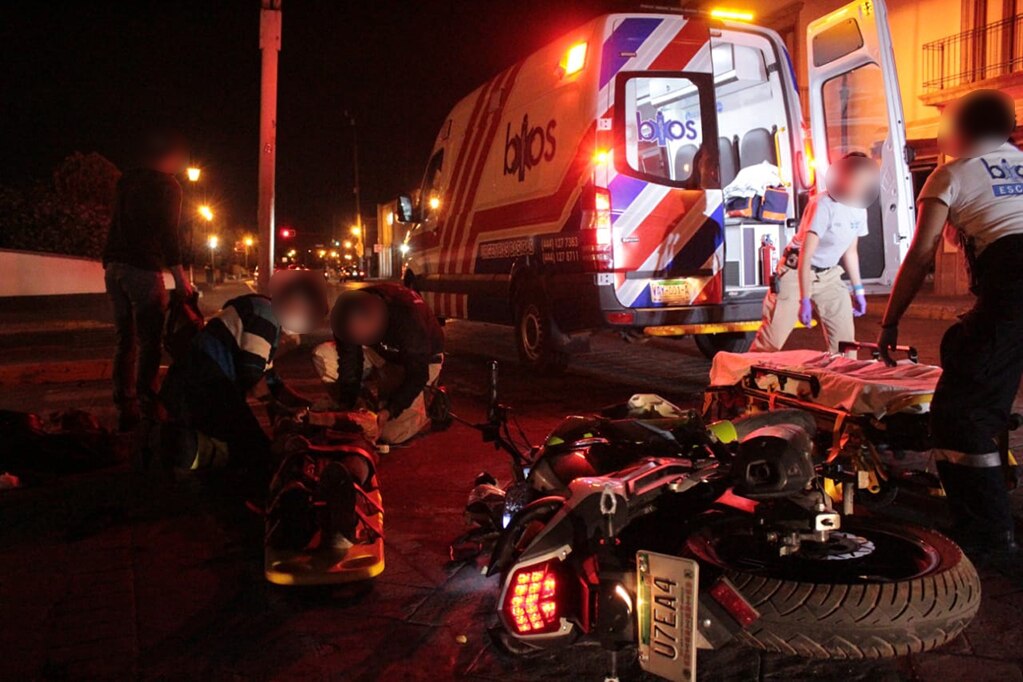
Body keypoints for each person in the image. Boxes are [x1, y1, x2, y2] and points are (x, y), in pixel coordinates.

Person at [877, 89, 1020, 557]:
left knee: (962, 416)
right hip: (1007, 291)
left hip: (1013, 283)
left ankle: (988, 534)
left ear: (959, 130)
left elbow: (920, 257)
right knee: (983, 381)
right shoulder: (1019, 161)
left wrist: (890, 321)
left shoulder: (950, 173)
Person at [159, 270, 328, 474]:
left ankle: (181, 441)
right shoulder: (266, 316)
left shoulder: (264, 313)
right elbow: (252, 376)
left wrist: (306, 406)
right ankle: (178, 445)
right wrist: (276, 407)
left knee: (251, 447)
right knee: (255, 454)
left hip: (198, 385)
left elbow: (272, 382)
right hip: (202, 387)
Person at [103, 130, 195, 431]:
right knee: (150, 340)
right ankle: (148, 403)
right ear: (171, 157)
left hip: (113, 266)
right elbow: (169, 234)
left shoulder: (127, 181)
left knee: (124, 339)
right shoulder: (168, 185)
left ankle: (125, 406)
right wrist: (180, 279)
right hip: (142, 268)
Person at [750, 153, 878, 354]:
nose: (860, 184)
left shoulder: (860, 209)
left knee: (846, 346)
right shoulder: (823, 205)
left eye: (864, 181)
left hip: (829, 275)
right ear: (844, 177)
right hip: (795, 272)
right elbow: (805, 256)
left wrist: (859, 290)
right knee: (771, 342)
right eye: (855, 178)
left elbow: (851, 252)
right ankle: (741, 378)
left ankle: (840, 383)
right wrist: (804, 299)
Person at [313, 283, 444, 444]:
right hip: (384, 354)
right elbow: (350, 360)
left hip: (421, 361)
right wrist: (350, 404)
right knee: (322, 355)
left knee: (390, 434)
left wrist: (389, 411)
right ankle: (364, 406)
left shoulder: (407, 316)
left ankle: (428, 406)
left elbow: (417, 374)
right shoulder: (347, 312)